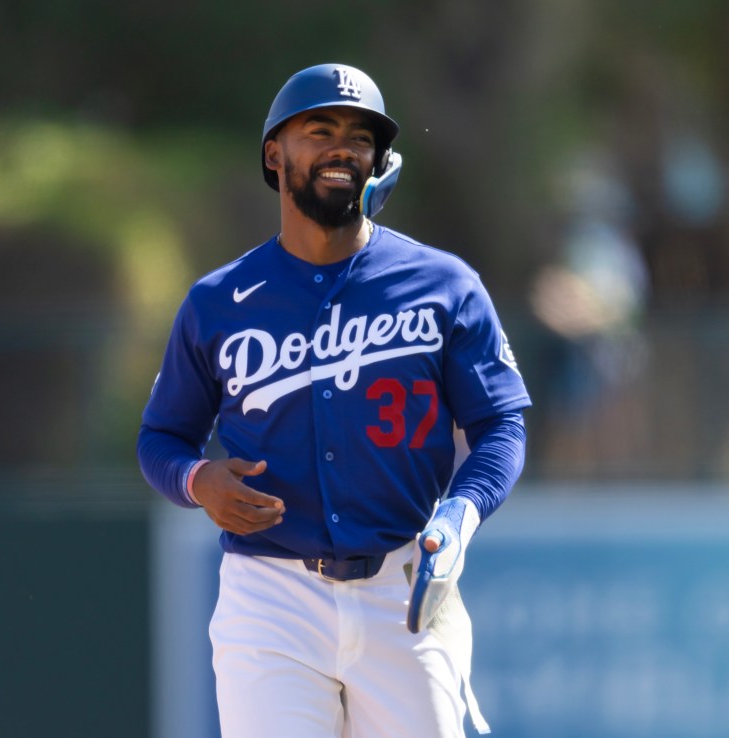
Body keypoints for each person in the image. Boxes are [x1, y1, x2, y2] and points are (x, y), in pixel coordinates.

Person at [137, 63, 531, 738]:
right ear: (275, 153)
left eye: (361, 137)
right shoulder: (217, 301)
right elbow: (161, 440)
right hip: (270, 596)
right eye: (320, 129)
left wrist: (462, 514)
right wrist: (198, 480)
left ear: (382, 161)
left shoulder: (443, 284)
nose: (343, 147)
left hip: (404, 588)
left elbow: (500, 425)